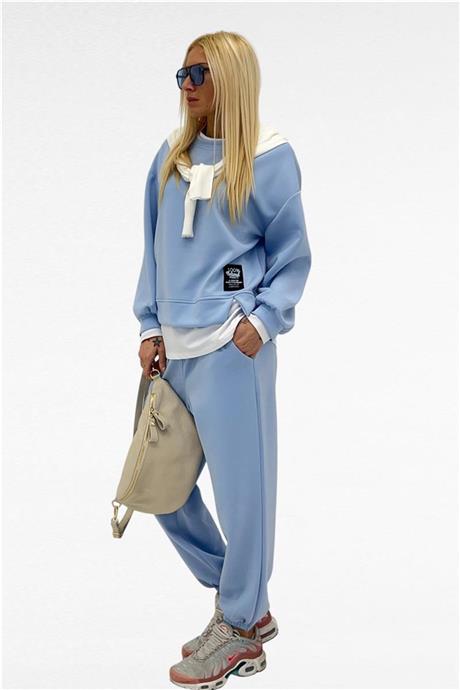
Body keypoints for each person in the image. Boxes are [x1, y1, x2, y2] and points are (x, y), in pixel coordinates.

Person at [133, 30, 312, 689]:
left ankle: (239, 626)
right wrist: (150, 324)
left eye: (199, 73)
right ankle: (243, 598)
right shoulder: (169, 159)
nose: (187, 85)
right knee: (160, 489)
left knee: (244, 498)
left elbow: (293, 254)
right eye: (181, 74)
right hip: (173, 357)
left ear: (231, 77)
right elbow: (153, 250)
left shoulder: (268, 159)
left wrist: (262, 321)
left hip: (233, 353)